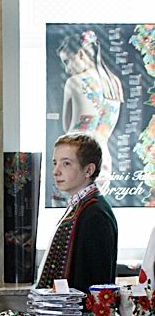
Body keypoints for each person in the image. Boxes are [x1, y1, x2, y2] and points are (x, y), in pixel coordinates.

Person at [37, 134, 118, 294]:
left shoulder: (95, 213)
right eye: (55, 163)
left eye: (66, 163)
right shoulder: (80, 207)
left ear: (88, 170)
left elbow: (95, 281)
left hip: (80, 307)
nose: (56, 171)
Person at [57, 30, 123, 195]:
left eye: (67, 61)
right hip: (103, 161)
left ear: (80, 54)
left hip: (75, 160)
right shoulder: (114, 83)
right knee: (95, 205)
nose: (67, 69)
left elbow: (67, 128)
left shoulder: (73, 82)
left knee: (73, 209)